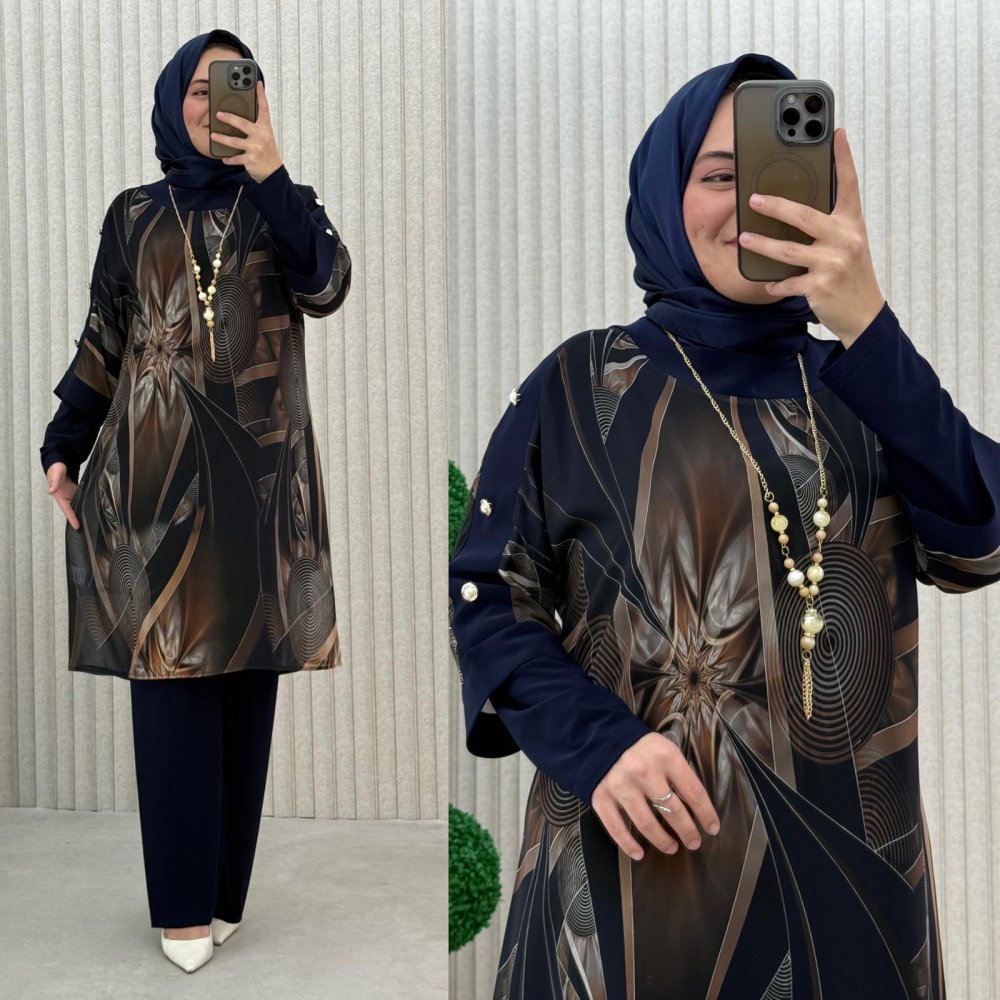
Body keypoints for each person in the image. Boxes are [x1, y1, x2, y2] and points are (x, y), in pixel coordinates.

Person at [449, 52, 999, 999]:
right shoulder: (582, 384)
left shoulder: (867, 386)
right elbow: (490, 595)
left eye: (783, 175)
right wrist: (597, 742)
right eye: (717, 176)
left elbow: (978, 542)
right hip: (627, 886)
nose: (753, 203)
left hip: (851, 899)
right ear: (666, 197)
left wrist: (869, 327)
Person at [38, 29, 351, 973]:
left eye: (237, 84)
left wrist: (274, 175)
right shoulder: (134, 215)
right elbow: (106, 339)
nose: (217, 103)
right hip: (158, 488)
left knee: (249, 688)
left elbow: (327, 284)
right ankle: (180, 905)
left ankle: (223, 897)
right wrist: (64, 443)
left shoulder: (287, 207)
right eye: (202, 88)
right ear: (175, 100)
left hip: (262, 492)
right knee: (172, 691)